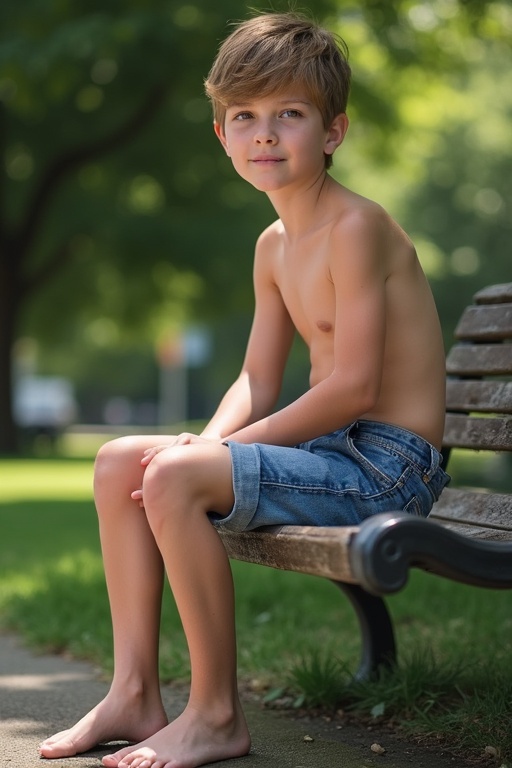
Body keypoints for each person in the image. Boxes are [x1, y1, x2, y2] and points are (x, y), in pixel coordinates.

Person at [39, 11, 450, 768]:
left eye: (288, 115)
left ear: (332, 132)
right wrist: (207, 438)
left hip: (388, 463)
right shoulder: (274, 245)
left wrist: (213, 453)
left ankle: (217, 713)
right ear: (222, 134)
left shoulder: (358, 228)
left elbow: (355, 387)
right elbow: (257, 378)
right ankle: (133, 690)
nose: (264, 134)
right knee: (118, 460)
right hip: (336, 450)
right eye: (244, 117)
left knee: (173, 475)